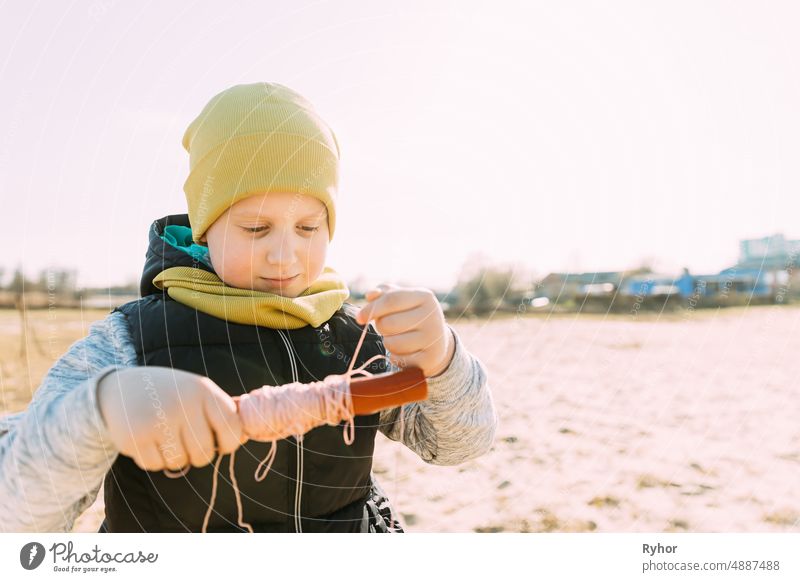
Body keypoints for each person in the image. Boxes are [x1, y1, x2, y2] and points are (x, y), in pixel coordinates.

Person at [0, 82, 498, 533]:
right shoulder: (130, 343)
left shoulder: (355, 337)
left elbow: (455, 445)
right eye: (255, 229)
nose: (285, 255)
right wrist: (101, 411)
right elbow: (17, 510)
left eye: (308, 228)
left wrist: (442, 358)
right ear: (205, 226)